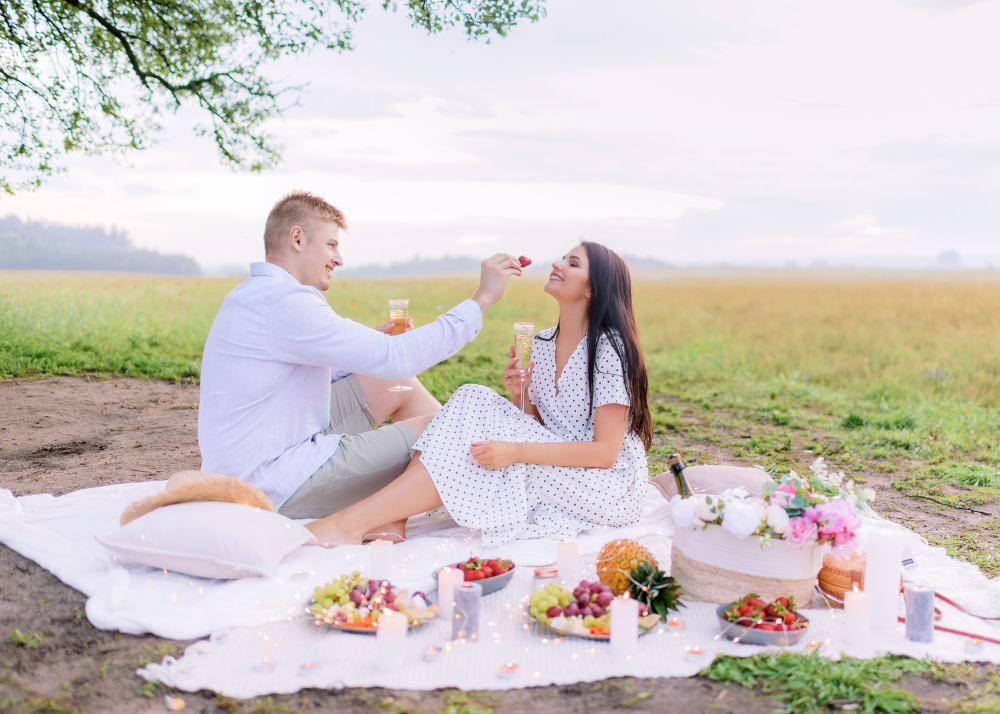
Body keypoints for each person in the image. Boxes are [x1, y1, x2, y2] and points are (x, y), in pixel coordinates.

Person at [196, 190, 522, 540]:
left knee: (398, 384)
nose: (338, 258)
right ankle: (399, 507)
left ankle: (426, 487)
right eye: (331, 245)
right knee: (456, 425)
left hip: (263, 453)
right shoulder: (287, 302)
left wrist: (369, 346)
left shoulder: (256, 294)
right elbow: (397, 357)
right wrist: (482, 298)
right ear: (297, 238)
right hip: (271, 482)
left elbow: (297, 371)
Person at [306, 241, 655, 547]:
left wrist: (515, 451)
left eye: (573, 263)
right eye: (563, 258)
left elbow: (605, 453)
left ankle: (355, 522)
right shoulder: (543, 343)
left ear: (593, 289)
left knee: (477, 431)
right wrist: (523, 394)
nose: (558, 264)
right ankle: (388, 518)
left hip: (605, 486)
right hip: (556, 461)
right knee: (474, 396)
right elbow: (541, 424)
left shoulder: (610, 349)